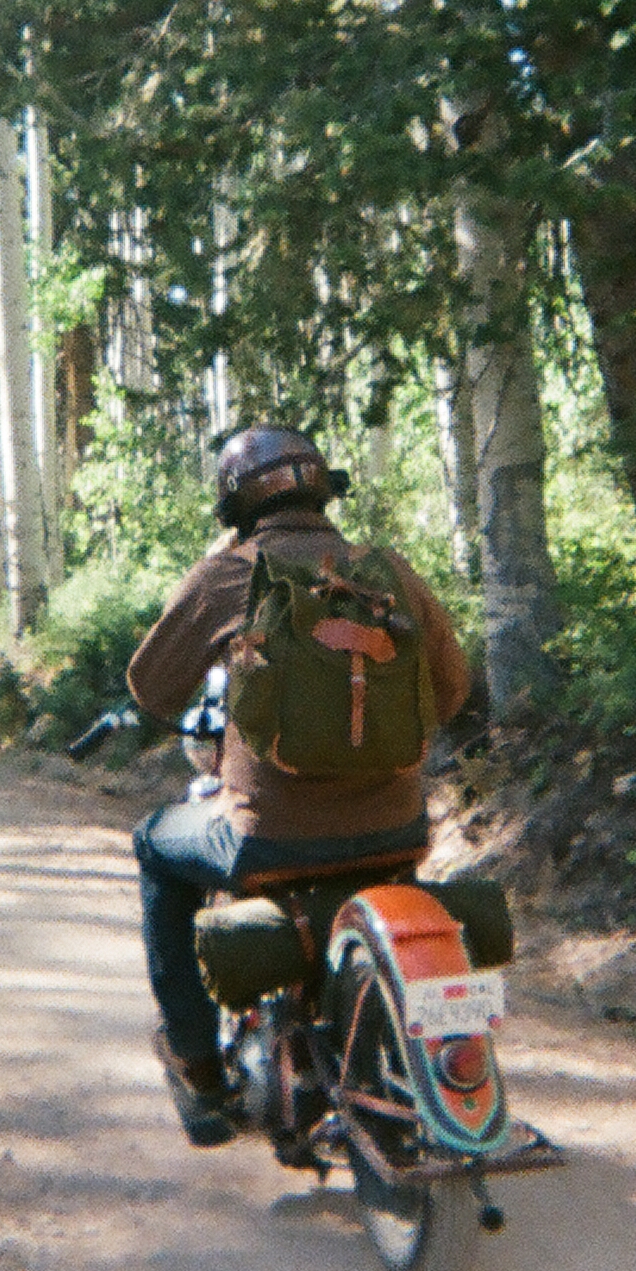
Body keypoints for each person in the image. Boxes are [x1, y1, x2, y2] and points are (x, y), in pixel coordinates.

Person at [122, 425, 473, 1144]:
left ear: (234, 507)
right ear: (324, 489)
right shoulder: (390, 570)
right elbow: (453, 690)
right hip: (397, 833)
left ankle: (197, 1067)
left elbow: (152, 688)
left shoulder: (231, 573)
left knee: (154, 846)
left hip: (266, 839)